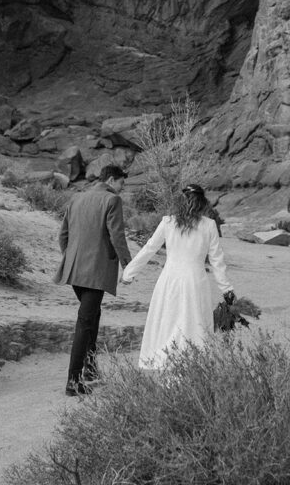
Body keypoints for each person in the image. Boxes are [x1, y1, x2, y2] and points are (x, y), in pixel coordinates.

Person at [121, 183, 235, 370]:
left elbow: (150, 248)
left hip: (170, 280)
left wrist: (128, 273)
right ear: (203, 202)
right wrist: (226, 289)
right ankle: (192, 366)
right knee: (193, 324)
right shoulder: (209, 225)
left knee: (169, 321)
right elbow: (217, 261)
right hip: (195, 281)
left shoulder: (168, 222)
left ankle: (166, 364)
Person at [54, 164, 132, 396]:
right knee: (85, 322)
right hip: (96, 271)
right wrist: (128, 265)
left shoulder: (77, 198)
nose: (121, 189)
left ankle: (90, 369)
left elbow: (62, 235)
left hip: (75, 270)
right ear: (111, 180)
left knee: (92, 316)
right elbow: (117, 235)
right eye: (121, 183)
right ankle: (73, 382)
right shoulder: (111, 200)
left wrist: (70, 258)